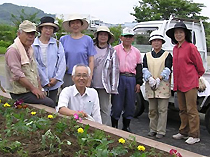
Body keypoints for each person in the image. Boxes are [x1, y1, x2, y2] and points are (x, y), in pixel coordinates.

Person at [166, 21, 205, 144]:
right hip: (179, 83)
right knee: (182, 109)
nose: (178, 35)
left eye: (181, 32)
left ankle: (195, 135)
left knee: (191, 110)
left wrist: (194, 77)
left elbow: (200, 67)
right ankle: (184, 131)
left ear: (185, 34)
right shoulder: (175, 48)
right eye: (176, 33)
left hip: (190, 83)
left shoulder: (191, 47)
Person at [5, 20, 55, 107]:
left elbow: (35, 72)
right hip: (19, 93)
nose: (31, 37)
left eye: (32, 34)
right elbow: (18, 75)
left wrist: (40, 88)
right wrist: (34, 89)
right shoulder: (13, 50)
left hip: (29, 90)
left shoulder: (29, 49)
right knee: (50, 103)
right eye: (28, 33)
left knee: (49, 99)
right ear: (19, 34)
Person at [111, 27, 143, 132]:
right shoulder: (115, 49)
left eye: (130, 37)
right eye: (126, 36)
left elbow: (139, 67)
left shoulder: (136, 52)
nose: (128, 39)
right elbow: (110, 66)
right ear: (121, 37)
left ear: (133, 38)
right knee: (117, 104)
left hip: (131, 78)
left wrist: (138, 82)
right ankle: (114, 125)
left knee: (130, 103)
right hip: (119, 77)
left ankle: (126, 126)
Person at [142, 30, 172, 139]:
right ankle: (152, 129)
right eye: (154, 41)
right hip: (151, 85)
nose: (156, 43)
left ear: (162, 42)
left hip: (162, 85)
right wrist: (149, 77)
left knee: (163, 109)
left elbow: (168, 68)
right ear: (151, 43)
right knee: (152, 109)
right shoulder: (147, 55)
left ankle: (161, 131)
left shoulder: (167, 55)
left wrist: (160, 78)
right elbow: (144, 68)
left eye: (158, 40)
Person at [33, 16, 66, 105]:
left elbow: (62, 62)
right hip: (38, 83)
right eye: (46, 28)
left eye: (51, 28)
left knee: (52, 105)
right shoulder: (33, 44)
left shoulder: (57, 44)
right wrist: (44, 80)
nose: (48, 30)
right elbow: (35, 64)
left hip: (54, 84)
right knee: (39, 107)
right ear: (41, 29)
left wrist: (56, 78)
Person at [60, 14, 97, 87]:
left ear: (81, 24)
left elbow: (91, 60)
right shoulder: (63, 39)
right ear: (70, 25)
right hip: (67, 75)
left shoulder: (88, 39)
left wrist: (89, 77)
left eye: (77, 23)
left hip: (83, 76)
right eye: (73, 23)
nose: (75, 25)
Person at [92, 26, 119, 125]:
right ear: (97, 36)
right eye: (101, 34)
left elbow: (115, 70)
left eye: (105, 35)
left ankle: (103, 129)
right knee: (92, 107)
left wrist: (114, 87)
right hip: (91, 83)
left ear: (108, 37)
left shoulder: (112, 51)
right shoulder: (91, 48)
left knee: (104, 108)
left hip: (104, 85)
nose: (103, 37)